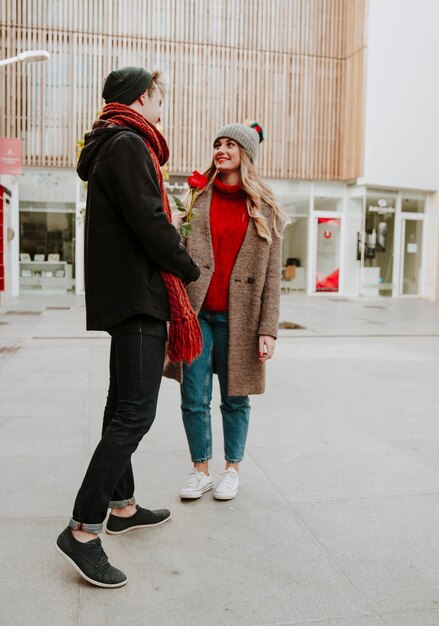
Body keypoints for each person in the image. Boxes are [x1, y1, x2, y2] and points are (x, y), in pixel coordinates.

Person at [55, 66, 201, 588]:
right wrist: (186, 265)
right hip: (140, 298)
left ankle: (121, 505)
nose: (162, 105)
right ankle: (83, 531)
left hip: (127, 297)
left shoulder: (112, 144)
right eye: (159, 96)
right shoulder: (128, 144)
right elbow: (149, 220)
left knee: (121, 409)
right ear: (142, 97)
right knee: (134, 416)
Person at [173, 122, 288, 501]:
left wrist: (267, 329)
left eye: (229, 145)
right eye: (217, 143)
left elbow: (272, 277)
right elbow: (178, 251)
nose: (221, 150)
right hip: (197, 312)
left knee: (235, 396)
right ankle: (200, 470)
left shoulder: (265, 208)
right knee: (193, 394)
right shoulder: (197, 197)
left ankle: (232, 469)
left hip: (241, 318)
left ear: (246, 154)